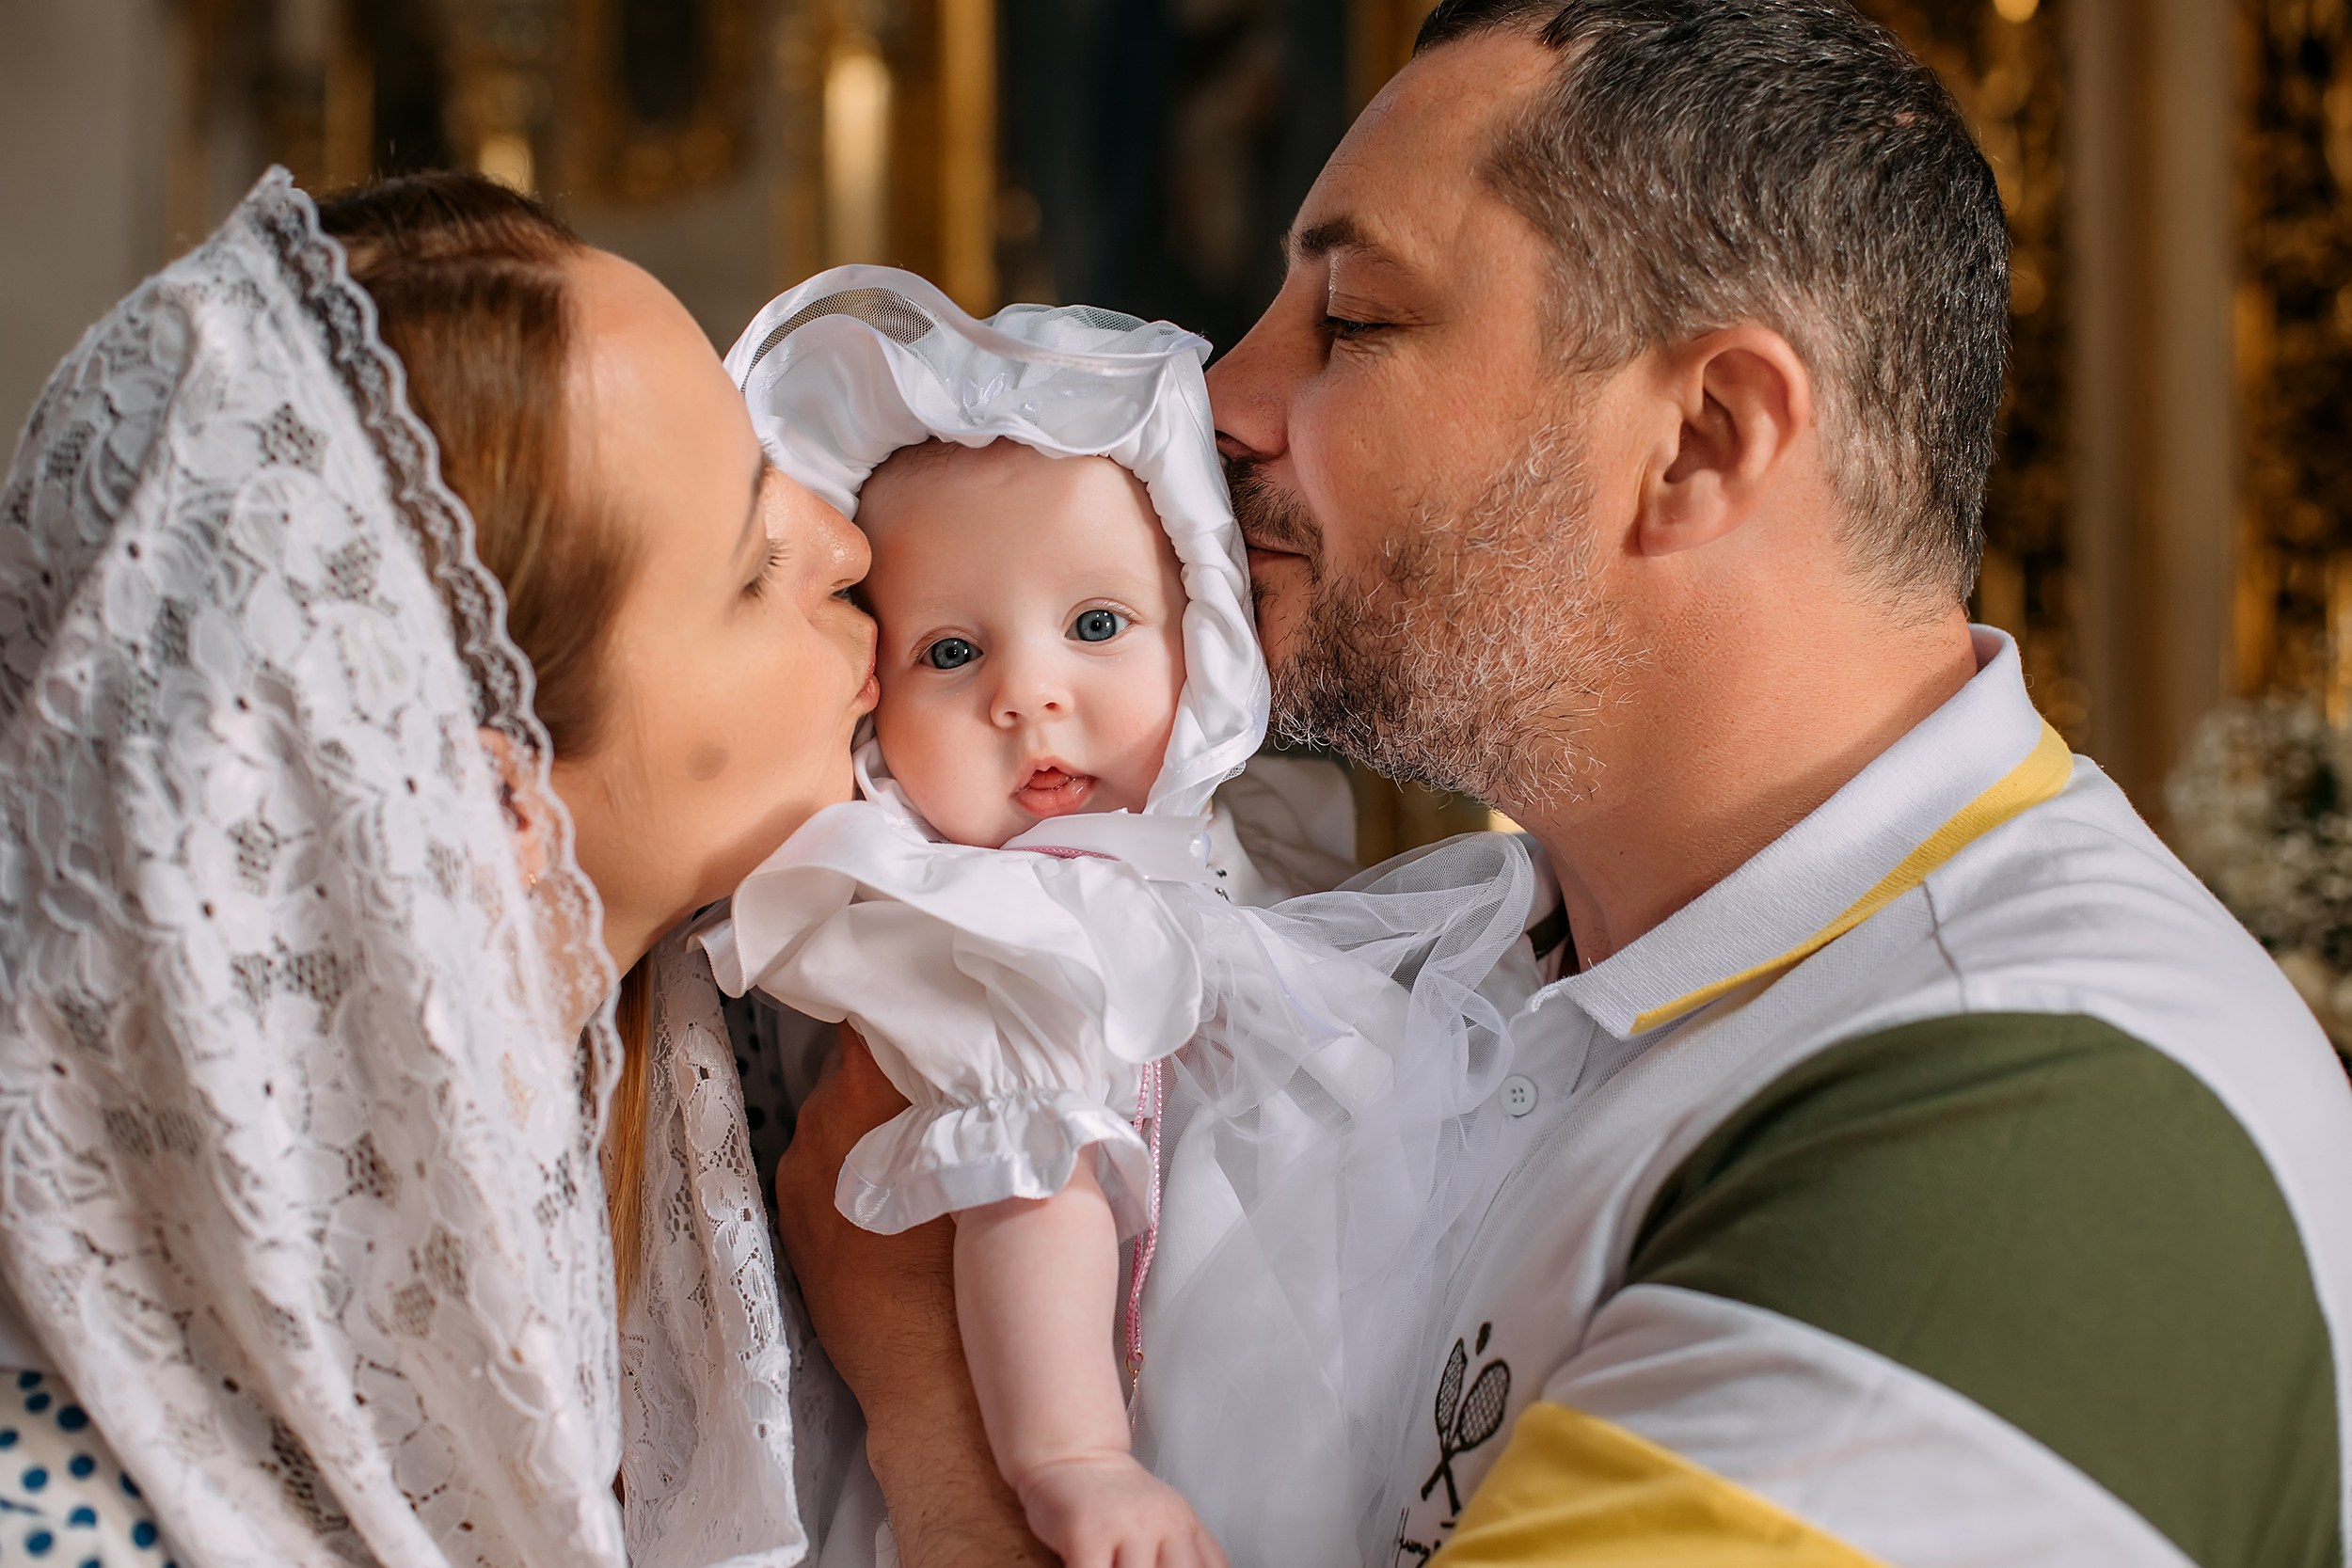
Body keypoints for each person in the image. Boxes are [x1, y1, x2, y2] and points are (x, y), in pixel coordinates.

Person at [775, 3, 2352, 1564]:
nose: (1214, 404)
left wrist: (934, 1405)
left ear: (1701, 441)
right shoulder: (1478, 962)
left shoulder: (2025, 1151)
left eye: (1353, 323)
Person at [0, 167, 871, 1565]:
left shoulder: (749, 1118)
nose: (851, 546)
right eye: (754, 564)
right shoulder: (63, 1512)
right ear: (481, 808)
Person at [707, 271, 1540, 1566]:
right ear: (872, 701)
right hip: (1107, 1400)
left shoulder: (1209, 856)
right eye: (950, 652)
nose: (1030, 696)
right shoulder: (996, 932)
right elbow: (1027, 1202)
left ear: (1200, 633)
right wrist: (1073, 1462)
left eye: (1096, 624)